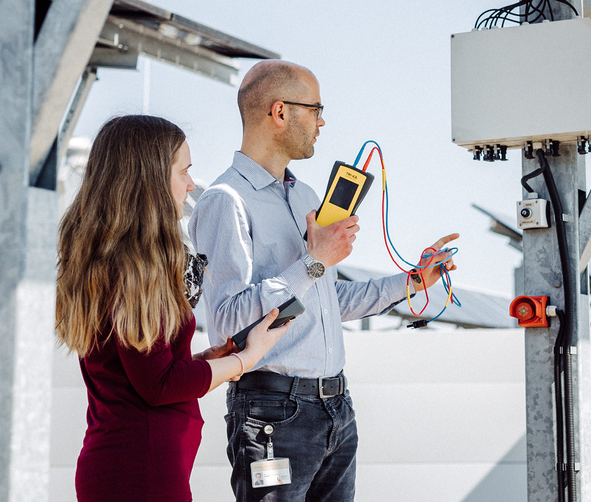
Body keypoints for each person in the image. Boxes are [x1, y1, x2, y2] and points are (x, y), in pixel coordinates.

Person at [189, 60, 457, 502]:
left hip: (336, 408)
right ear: (279, 113)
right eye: (315, 108)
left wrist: (413, 281)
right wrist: (314, 260)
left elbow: (323, 299)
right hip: (272, 411)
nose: (322, 120)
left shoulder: (306, 197)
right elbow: (225, 320)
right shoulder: (225, 201)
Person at [55, 115, 292, 502]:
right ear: (147, 178)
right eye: (183, 171)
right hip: (141, 472)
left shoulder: (113, 259)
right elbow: (159, 385)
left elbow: (141, 367)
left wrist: (203, 359)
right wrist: (247, 359)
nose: (191, 184)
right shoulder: (137, 266)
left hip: (126, 464)